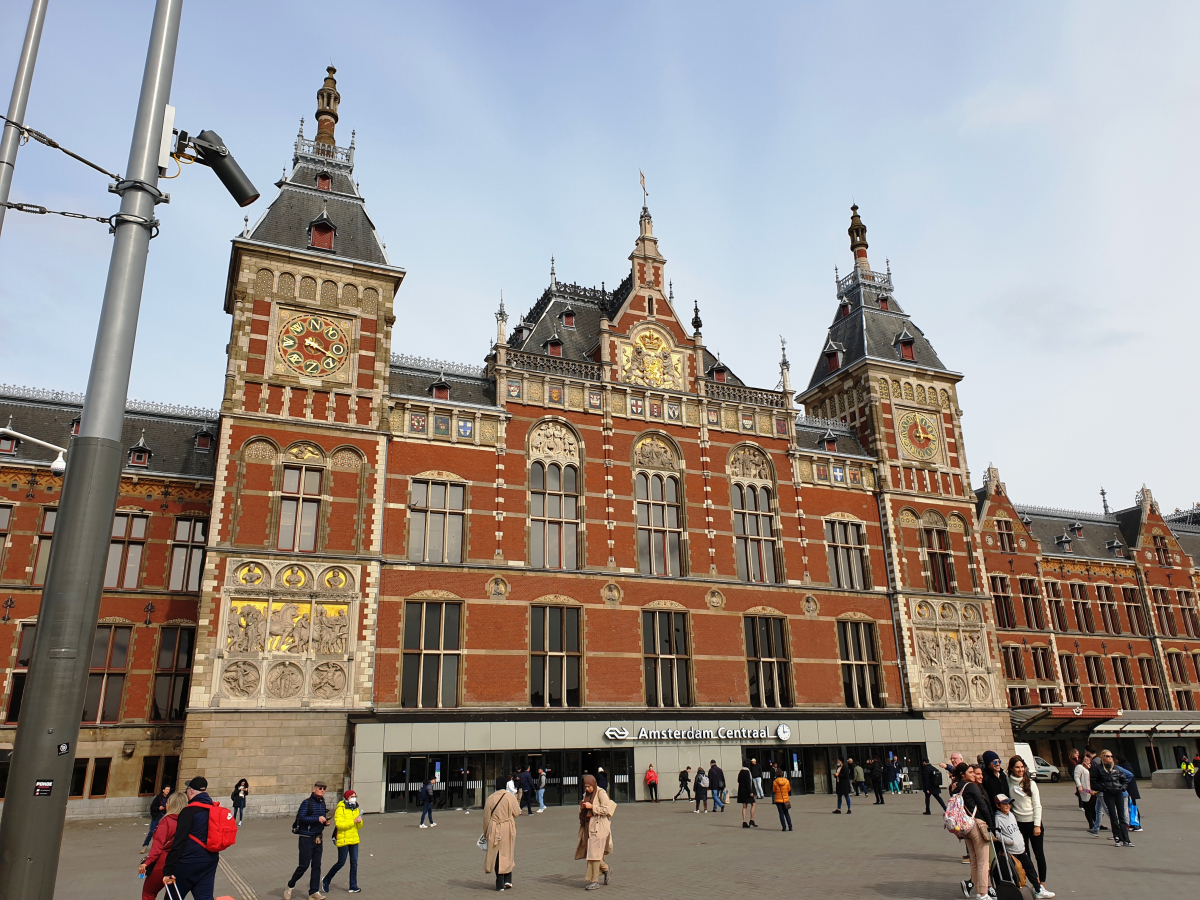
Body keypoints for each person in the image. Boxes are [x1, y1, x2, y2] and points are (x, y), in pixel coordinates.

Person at [162, 776, 221, 900]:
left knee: (173, 897)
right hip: (210, 861)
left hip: (188, 862)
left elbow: (179, 842)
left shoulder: (188, 811)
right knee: (204, 897)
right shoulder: (214, 809)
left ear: (192, 791)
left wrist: (168, 870)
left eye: (187, 790)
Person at [993, 794, 1054, 899]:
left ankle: (1038, 889)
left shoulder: (1011, 815)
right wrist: (1010, 841)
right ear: (998, 806)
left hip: (1021, 849)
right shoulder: (998, 818)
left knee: (1030, 869)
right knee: (1017, 872)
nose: (1008, 806)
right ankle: (1017, 892)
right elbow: (997, 835)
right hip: (1012, 851)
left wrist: (1020, 839)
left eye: (1009, 803)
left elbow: (1016, 828)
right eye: (1005, 804)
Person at [1008, 756, 1050, 893]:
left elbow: (1037, 805)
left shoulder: (1030, 783)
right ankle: (1032, 880)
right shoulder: (1008, 783)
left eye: (1022, 767)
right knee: (1025, 855)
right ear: (1012, 769)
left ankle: (1041, 884)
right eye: (1017, 767)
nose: (1020, 770)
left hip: (1033, 823)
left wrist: (1037, 825)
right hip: (1019, 825)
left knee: (1039, 855)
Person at [285, 781, 328, 900]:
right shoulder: (306, 803)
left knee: (317, 866)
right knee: (304, 865)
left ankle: (314, 892)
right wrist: (317, 819)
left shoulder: (322, 803)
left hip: (318, 838)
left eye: (324, 789)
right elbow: (302, 818)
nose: (322, 790)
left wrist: (325, 823)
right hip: (306, 838)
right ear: (314, 789)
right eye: (320, 788)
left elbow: (321, 819)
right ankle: (290, 885)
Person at [141, 791, 187, 900]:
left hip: (164, 863)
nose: (166, 804)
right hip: (182, 863)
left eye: (168, 802)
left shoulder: (166, 821)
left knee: (148, 893)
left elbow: (157, 846)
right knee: (173, 895)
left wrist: (147, 862)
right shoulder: (187, 821)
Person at [957, 764, 992, 900]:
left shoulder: (956, 787)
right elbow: (982, 805)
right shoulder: (971, 786)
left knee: (974, 861)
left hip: (964, 826)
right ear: (962, 774)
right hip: (976, 824)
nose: (973, 774)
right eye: (970, 772)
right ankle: (983, 893)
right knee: (983, 861)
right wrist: (991, 825)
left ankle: (979, 890)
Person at [576, 773, 616, 890]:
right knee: (591, 853)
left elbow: (607, 809)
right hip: (589, 827)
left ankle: (595, 881)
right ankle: (606, 869)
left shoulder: (601, 793)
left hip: (599, 827)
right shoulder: (586, 794)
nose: (587, 789)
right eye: (585, 787)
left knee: (594, 855)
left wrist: (591, 807)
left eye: (589, 786)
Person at [322, 789, 362, 895]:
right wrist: (353, 821)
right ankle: (326, 879)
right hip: (343, 839)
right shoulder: (341, 808)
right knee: (341, 862)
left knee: (354, 863)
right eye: (352, 796)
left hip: (354, 838)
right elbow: (339, 825)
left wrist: (359, 821)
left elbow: (358, 827)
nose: (354, 798)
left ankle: (353, 886)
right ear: (347, 798)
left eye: (355, 796)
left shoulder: (356, 808)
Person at [484, 776, 519, 891]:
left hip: (494, 827)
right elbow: (517, 812)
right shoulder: (510, 797)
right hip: (508, 827)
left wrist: (486, 832)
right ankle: (508, 879)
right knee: (508, 852)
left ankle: (499, 883)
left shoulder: (490, 798)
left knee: (496, 854)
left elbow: (486, 818)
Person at [1095, 749, 1133, 846]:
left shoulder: (1116, 768)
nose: (1110, 758)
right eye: (1108, 756)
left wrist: (1122, 788)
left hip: (1118, 793)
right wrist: (1104, 788)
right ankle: (1117, 838)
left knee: (1122, 817)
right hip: (1108, 794)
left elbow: (1125, 779)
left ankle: (1126, 839)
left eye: (1111, 756)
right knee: (1113, 817)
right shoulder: (1099, 769)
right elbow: (1094, 782)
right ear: (1103, 757)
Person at [142, 784, 172, 852]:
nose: (167, 791)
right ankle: (145, 845)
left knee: (164, 832)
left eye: (169, 790)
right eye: (166, 789)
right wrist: (159, 808)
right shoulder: (158, 797)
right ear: (163, 790)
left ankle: (162, 846)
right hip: (157, 816)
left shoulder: (169, 798)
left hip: (165, 817)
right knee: (152, 831)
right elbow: (152, 807)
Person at [737, 760, 757, 828]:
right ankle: (751, 819)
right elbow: (748, 783)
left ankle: (744, 821)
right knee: (753, 804)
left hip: (741, 791)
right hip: (747, 791)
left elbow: (738, 780)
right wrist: (750, 792)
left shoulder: (741, 771)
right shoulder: (747, 772)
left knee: (744, 806)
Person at [772, 767, 793, 832]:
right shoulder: (787, 781)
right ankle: (790, 827)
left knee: (781, 813)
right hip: (785, 799)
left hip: (778, 799)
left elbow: (774, 790)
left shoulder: (775, 781)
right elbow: (789, 789)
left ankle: (784, 827)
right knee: (786, 813)